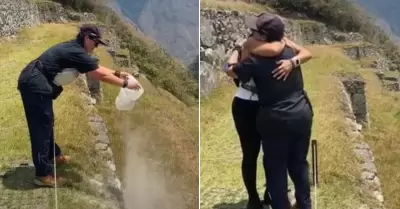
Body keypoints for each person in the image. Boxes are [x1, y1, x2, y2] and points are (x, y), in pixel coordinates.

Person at [17, 24, 141, 188]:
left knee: (47, 121)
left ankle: (53, 155)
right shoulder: (76, 51)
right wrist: (125, 84)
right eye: (95, 43)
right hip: (34, 82)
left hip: (36, 79)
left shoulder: (77, 50)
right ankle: (42, 175)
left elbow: (95, 67)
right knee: (41, 126)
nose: (96, 47)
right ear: (87, 38)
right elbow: (97, 74)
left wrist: (117, 73)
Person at [225, 14, 314, 209]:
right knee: (298, 163)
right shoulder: (291, 51)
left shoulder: (254, 59)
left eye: (254, 31)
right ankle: (304, 205)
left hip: (272, 115)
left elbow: (231, 71)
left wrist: (238, 49)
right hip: (301, 111)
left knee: (274, 166)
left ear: (263, 36)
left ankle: (271, 202)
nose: (250, 33)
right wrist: (292, 59)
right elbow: (305, 52)